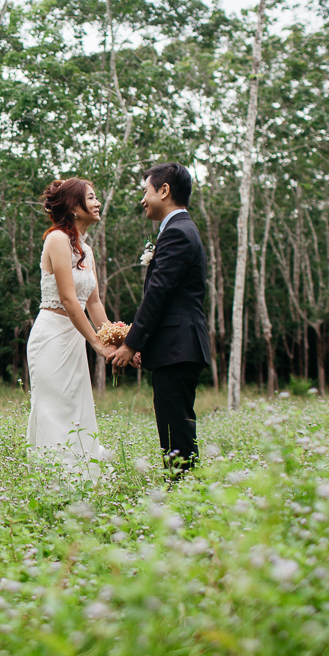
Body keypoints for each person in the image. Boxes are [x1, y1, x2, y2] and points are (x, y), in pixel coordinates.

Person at [112, 162, 211, 477]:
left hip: (179, 346)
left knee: (176, 432)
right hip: (176, 346)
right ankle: (184, 491)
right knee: (174, 427)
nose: (142, 200)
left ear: (164, 190)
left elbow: (158, 295)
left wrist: (131, 343)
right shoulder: (178, 229)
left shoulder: (178, 232)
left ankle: (185, 494)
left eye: (145, 191)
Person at [26, 178, 117, 481]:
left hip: (75, 337)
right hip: (52, 336)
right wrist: (96, 343)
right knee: (54, 408)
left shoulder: (87, 251)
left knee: (77, 409)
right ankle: (54, 480)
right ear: (74, 207)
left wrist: (114, 339)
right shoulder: (56, 240)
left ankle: (81, 478)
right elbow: (67, 299)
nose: (97, 203)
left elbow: (93, 302)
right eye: (91, 197)